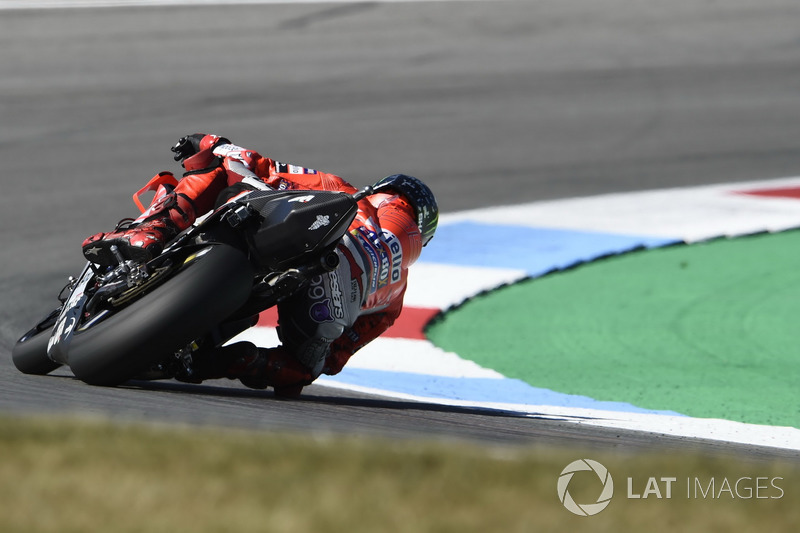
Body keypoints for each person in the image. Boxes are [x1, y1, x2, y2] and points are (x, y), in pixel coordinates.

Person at [82, 134, 438, 397]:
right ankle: (220, 362)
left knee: (220, 170)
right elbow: (333, 359)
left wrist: (209, 143)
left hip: (283, 246)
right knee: (302, 368)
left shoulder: (341, 189)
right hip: (322, 303)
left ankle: (152, 229)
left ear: (378, 191)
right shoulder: (393, 301)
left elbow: (260, 165)